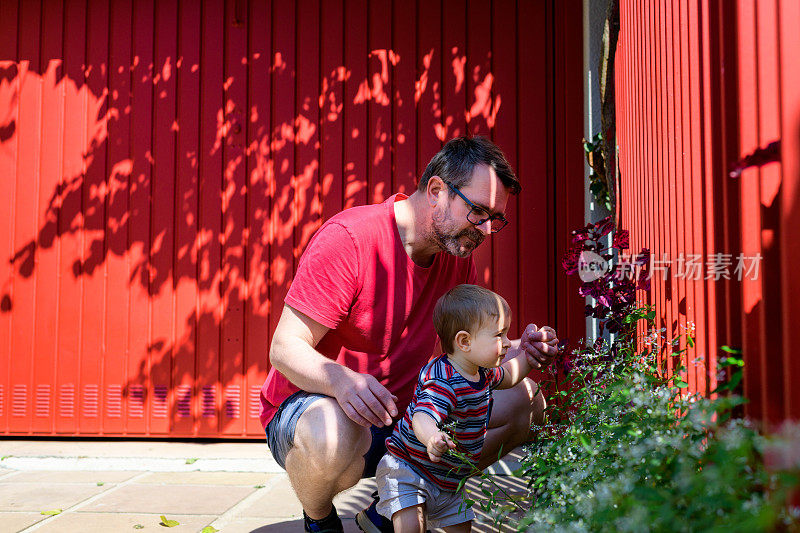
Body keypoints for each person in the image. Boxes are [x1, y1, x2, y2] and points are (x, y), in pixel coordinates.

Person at [260, 136, 559, 533]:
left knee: (527, 401)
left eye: (496, 219)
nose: (487, 230)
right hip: (322, 412)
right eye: (478, 212)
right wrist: (343, 382)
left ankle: (390, 507)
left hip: (408, 421)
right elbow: (284, 348)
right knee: (334, 433)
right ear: (436, 190)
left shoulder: (455, 256)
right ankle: (319, 519)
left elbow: (463, 353)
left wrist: (518, 348)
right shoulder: (351, 238)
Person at [374, 284, 547, 532]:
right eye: (500, 335)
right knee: (412, 527)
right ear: (464, 341)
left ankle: (377, 516)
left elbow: (509, 375)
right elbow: (422, 416)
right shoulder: (443, 381)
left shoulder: (481, 372)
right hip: (409, 470)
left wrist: (529, 356)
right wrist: (432, 437)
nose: (508, 343)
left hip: (448, 476)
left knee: (462, 527)